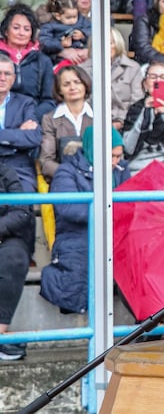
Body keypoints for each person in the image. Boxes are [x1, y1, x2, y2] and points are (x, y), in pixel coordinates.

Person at [40, 126, 128, 314]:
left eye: (118, 156)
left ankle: (148, 323)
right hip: (77, 235)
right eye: (111, 156)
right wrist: (110, 210)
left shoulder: (121, 169)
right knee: (81, 262)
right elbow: (68, 208)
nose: (115, 162)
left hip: (116, 234)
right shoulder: (67, 171)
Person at [78, 27, 145, 130]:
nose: (105, 47)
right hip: (92, 125)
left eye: (110, 43)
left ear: (117, 44)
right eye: (101, 43)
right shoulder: (82, 69)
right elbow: (81, 102)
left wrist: (121, 121)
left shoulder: (133, 68)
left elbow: (137, 102)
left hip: (126, 124)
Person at [0, 3, 55, 121]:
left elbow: (49, 101)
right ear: (5, 31)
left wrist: (30, 117)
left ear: (32, 33)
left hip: (31, 120)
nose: (21, 33)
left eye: (26, 29)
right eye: (16, 28)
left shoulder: (43, 61)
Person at [0, 162, 33, 361]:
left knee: (15, 259)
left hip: (4, 236)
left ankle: (0, 335)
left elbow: (22, 211)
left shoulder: (5, 171)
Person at [39, 65, 93, 181]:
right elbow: (46, 162)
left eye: (77, 82)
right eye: (66, 84)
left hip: (97, 180)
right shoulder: (49, 119)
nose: (72, 87)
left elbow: (113, 153)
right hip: (64, 181)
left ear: (85, 84)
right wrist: (72, 175)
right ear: (59, 90)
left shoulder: (100, 116)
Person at [0, 53, 41, 194]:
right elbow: (24, 137)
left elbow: (34, 138)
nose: (2, 78)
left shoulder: (25, 103)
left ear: (14, 79)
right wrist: (17, 132)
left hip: (18, 167)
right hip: (15, 154)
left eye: (7, 74)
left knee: (22, 207)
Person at [38, 0, 91, 67]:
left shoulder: (82, 21)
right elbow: (45, 44)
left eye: (75, 17)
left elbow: (93, 31)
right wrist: (60, 44)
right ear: (58, 16)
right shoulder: (49, 26)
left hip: (82, 55)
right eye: (68, 17)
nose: (72, 20)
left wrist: (83, 34)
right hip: (59, 60)